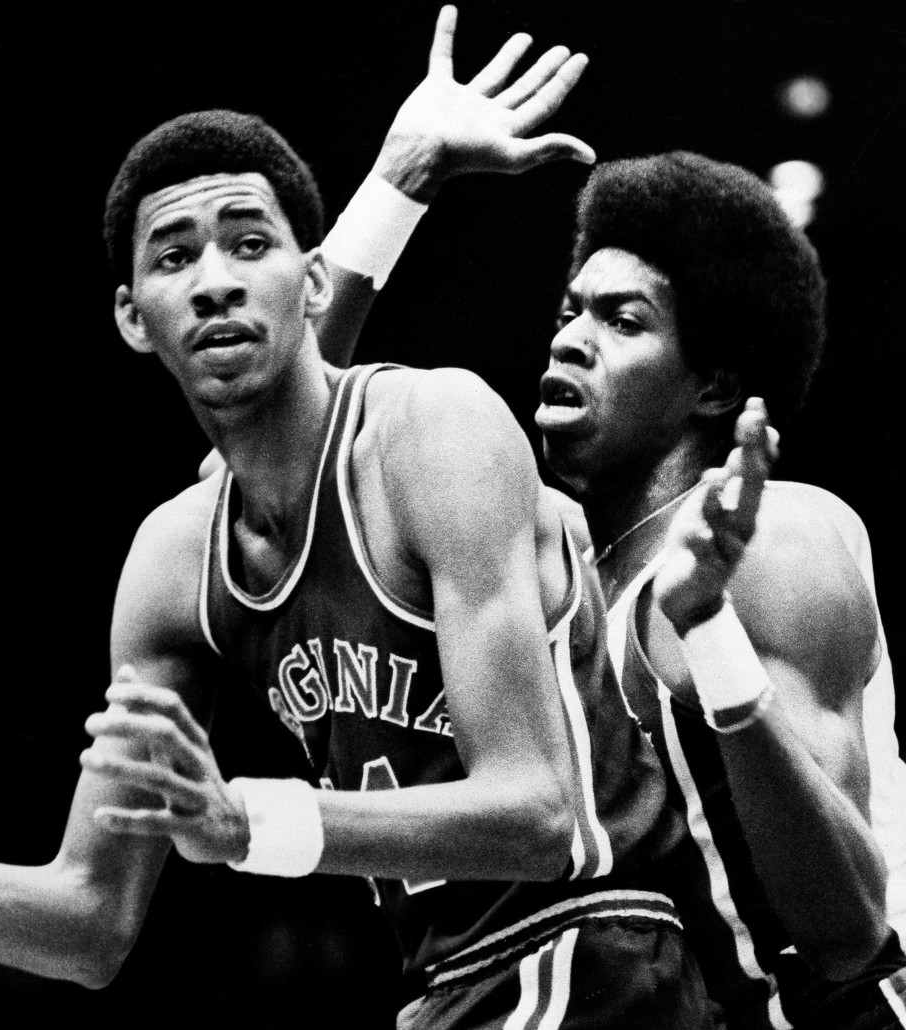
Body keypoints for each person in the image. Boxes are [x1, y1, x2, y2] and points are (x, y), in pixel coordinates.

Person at [0, 11, 717, 1029]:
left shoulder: (435, 430)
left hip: (596, 956)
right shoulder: (172, 558)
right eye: (172, 257)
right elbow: (88, 922)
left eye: (250, 242)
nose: (211, 282)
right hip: (443, 989)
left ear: (309, 276)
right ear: (130, 317)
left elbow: (536, 816)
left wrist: (244, 820)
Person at [311, 16, 906, 1028]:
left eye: (620, 322)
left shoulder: (776, 542)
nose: (572, 339)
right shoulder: (540, 561)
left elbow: (846, 932)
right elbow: (280, 456)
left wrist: (709, 634)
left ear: (712, 385)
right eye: (566, 313)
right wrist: (398, 181)